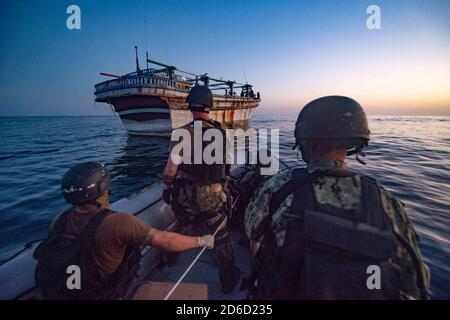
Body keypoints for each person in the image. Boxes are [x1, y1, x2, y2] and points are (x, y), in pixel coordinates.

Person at [243, 96, 430, 300]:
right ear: (354, 142)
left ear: (304, 141)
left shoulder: (279, 187)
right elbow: (414, 280)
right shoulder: (385, 200)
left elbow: (253, 230)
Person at [34, 161, 214, 300]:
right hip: (100, 293)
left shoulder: (59, 219)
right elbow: (165, 240)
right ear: (103, 190)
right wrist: (201, 241)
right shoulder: (117, 221)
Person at [162, 85, 240, 294]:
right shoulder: (221, 131)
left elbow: (171, 168)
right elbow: (227, 163)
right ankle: (228, 277)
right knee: (220, 234)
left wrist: (167, 188)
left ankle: (168, 259)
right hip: (212, 193)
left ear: (190, 107)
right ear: (209, 106)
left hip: (185, 193)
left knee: (182, 223)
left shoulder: (182, 133)